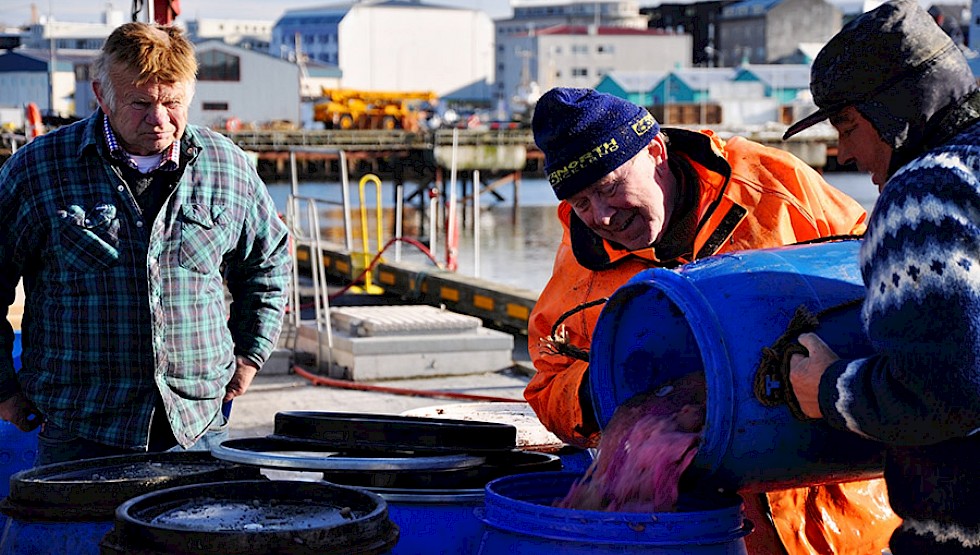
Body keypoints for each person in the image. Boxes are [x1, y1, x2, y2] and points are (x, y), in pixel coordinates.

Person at [526, 87, 899, 554]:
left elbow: (882, 275)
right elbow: (547, 385)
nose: (601, 216)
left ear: (656, 152)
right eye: (581, 202)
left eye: (608, 187)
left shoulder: (773, 188)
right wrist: (607, 392)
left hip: (835, 511)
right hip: (702, 521)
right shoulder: (580, 267)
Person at [0, 22, 291, 466]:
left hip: (197, 428)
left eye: (172, 102)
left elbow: (267, 263)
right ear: (101, 95)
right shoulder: (37, 171)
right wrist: (4, 387)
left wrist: (250, 354)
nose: (159, 119)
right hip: (80, 428)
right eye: (140, 103)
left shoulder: (227, 168)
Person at [785, 1, 980, 553]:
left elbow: (940, 393)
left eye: (847, 125)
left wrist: (826, 389)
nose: (843, 151)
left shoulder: (926, 193)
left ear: (896, 112)